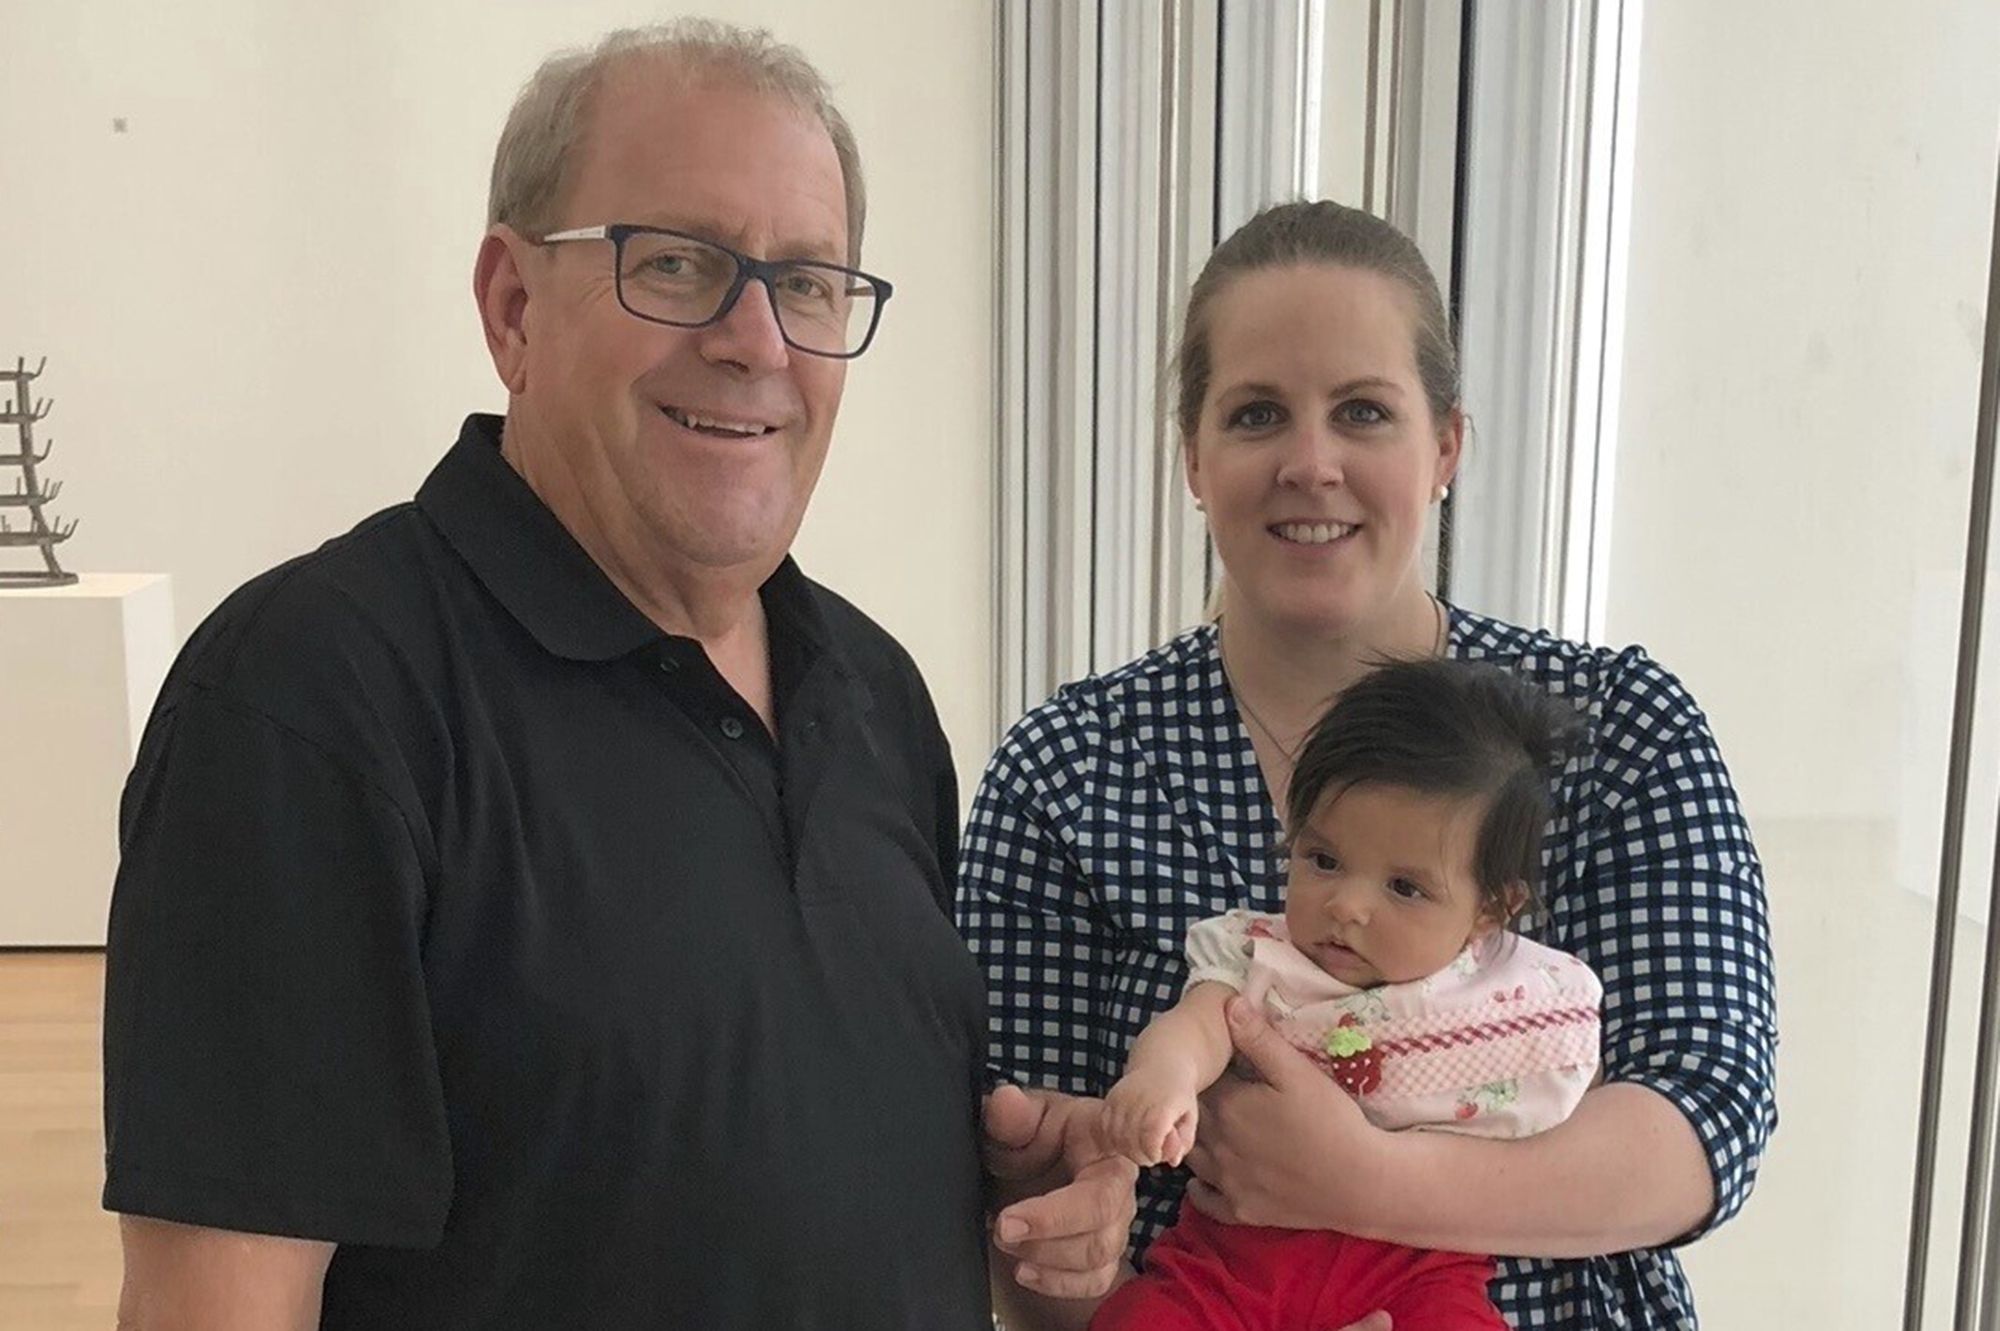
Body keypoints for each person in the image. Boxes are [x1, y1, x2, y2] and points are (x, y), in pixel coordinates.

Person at [101, 20, 1129, 1330]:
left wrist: (1011, 1226)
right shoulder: (314, 701)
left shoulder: (875, 694)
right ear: (513, 306)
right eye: (680, 263)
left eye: (809, 282)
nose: (757, 337)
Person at [957, 199, 1777, 1328]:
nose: (1310, 463)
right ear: (1191, 456)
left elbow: (1704, 1120)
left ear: (1443, 446)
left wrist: (1360, 1180)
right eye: (1254, 414)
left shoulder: (1610, 730)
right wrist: (1055, 1215)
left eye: (1361, 412)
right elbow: (1024, 1248)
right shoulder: (1065, 774)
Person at [1093, 658, 1602, 1330]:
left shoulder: (1513, 996)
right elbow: (1199, 1023)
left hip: (1417, 1266)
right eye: (1322, 860)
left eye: (1405, 887)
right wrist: (1164, 1077)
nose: (1347, 906)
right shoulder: (1260, 956)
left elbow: (1572, 1124)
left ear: (1492, 909)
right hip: (1232, 1260)